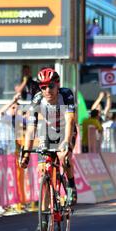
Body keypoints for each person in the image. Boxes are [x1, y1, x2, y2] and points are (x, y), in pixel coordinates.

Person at [19, 67, 78, 212]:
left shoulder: (66, 94)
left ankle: (71, 185)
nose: (47, 90)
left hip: (66, 131)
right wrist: (26, 152)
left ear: (57, 84)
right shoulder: (37, 99)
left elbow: (70, 120)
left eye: (50, 86)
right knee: (42, 169)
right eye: (43, 87)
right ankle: (45, 215)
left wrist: (66, 142)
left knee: (63, 156)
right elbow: (31, 128)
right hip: (47, 131)